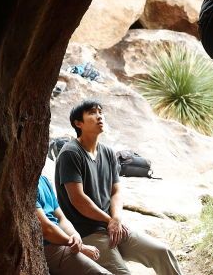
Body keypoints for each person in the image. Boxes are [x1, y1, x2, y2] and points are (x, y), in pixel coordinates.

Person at [54, 100, 183, 275]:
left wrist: (116, 218)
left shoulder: (107, 152)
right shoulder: (71, 153)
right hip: (87, 233)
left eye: (100, 111)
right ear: (78, 123)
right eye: (92, 113)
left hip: (113, 226)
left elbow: (116, 191)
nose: (99, 116)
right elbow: (78, 200)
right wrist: (110, 221)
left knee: (162, 252)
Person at [36, 174, 111, 275]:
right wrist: (80, 247)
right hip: (47, 245)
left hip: (62, 240)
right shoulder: (26, 185)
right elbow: (46, 230)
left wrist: (75, 236)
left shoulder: (43, 180)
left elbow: (61, 218)